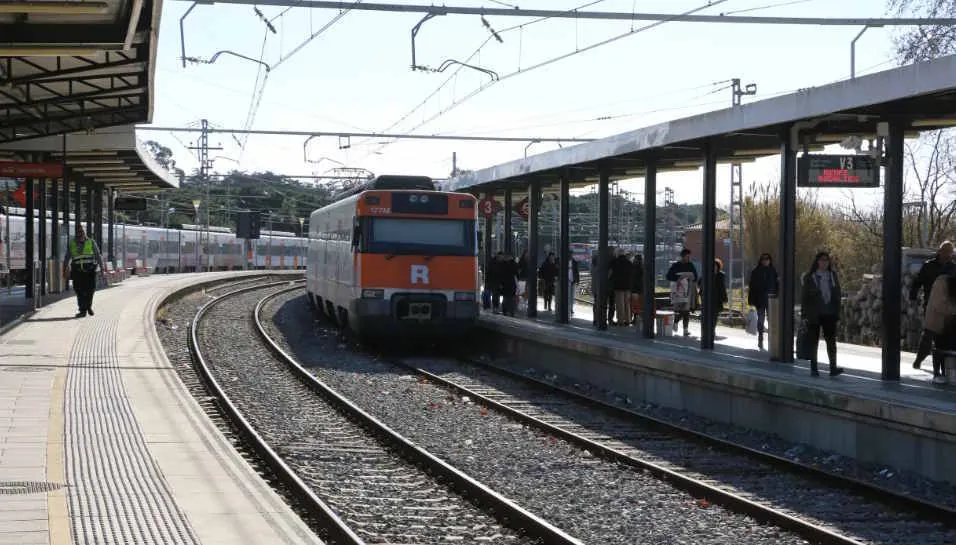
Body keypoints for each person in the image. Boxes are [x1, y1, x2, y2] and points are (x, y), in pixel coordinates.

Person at [909, 241, 955, 370]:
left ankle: (943, 368)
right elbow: (917, 282)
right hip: (931, 306)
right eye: (945, 251)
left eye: (949, 252)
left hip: (948, 309)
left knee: (945, 338)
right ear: (940, 251)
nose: (947, 254)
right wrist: (913, 297)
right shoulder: (928, 266)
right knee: (929, 335)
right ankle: (919, 360)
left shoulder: (953, 268)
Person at [800, 251, 844, 377]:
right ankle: (814, 368)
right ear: (817, 262)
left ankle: (833, 368)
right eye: (822, 260)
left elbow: (837, 294)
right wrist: (804, 315)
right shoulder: (810, 277)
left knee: (831, 341)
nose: (824, 262)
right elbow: (804, 297)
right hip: (815, 314)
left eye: (826, 260)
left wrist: (837, 312)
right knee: (814, 342)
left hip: (830, 313)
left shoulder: (832, 276)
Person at [62, 225, 107, 318]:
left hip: (90, 270)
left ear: (84, 233)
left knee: (90, 290)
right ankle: (82, 310)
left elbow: (98, 256)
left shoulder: (91, 242)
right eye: (78, 232)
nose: (80, 234)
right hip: (77, 271)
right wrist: (64, 269)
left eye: (82, 232)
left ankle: (88, 306)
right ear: (76, 233)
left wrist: (102, 269)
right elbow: (67, 257)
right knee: (79, 290)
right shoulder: (72, 243)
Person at [923, 270, 956, 384]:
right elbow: (939, 305)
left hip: (950, 322)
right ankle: (937, 374)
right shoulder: (942, 282)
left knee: (949, 348)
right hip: (938, 321)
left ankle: (946, 373)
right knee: (940, 348)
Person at [748, 253, 780, 350]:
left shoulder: (773, 271)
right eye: (764, 259)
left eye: (767, 259)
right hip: (760, 299)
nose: (766, 261)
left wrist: (777, 295)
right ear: (761, 260)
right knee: (761, 319)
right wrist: (751, 300)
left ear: (770, 260)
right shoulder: (756, 271)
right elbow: (752, 287)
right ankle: (760, 338)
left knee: (771, 320)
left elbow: (777, 285)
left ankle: (772, 339)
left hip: (771, 299)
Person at [666, 248, 699, 337]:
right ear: (682, 257)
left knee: (686, 310)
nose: (688, 258)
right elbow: (668, 276)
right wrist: (679, 278)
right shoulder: (676, 265)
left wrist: (691, 277)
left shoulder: (691, 265)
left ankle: (685, 329)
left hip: (687, 290)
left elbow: (695, 276)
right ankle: (676, 322)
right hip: (677, 291)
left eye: (689, 257)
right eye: (687, 256)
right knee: (678, 309)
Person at [700, 258, 728, 339]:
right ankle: (705, 331)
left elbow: (722, 288)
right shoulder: (706, 275)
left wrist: (724, 298)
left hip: (717, 299)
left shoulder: (721, 275)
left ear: (718, 267)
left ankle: (712, 330)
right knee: (706, 316)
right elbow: (700, 284)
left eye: (715, 266)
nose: (714, 268)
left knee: (714, 317)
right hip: (707, 299)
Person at [610, 250, 633, 326]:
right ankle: (628, 320)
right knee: (627, 303)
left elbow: (611, 272)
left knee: (620, 304)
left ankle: (621, 320)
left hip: (618, 286)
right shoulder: (629, 263)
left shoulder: (615, 262)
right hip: (628, 286)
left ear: (617, 254)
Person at [630, 254, 645, 326]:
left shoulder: (633, 267)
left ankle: (635, 318)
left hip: (635, 288)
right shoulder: (642, 267)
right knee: (639, 304)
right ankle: (638, 318)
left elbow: (632, 278)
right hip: (641, 288)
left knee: (635, 304)